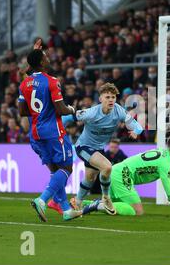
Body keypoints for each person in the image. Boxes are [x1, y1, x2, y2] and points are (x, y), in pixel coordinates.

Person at [18, 39, 92, 222]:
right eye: (45, 56)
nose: (48, 57)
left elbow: (22, 111)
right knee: (66, 167)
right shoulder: (51, 81)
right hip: (53, 130)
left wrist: (39, 113)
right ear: (42, 62)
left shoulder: (24, 84)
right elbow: (60, 109)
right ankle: (42, 199)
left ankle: (66, 209)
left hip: (36, 131)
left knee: (55, 170)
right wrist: (73, 110)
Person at [51, 83, 143, 215]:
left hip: (98, 149)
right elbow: (67, 118)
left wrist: (136, 131)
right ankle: (106, 198)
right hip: (83, 147)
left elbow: (137, 126)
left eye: (113, 97)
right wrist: (58, 132)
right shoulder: (91, 113)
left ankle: (76, 202)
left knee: (89, 178)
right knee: (107, 167)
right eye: (107, 97)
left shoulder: (119, 111)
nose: (111, 100)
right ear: (100, 99)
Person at [83, 135, 170, 216]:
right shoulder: (164, 162)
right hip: (123, 174)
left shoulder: (163, 154)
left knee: (116, 204)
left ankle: (82, 204)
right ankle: (98, 205)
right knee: (136, 211)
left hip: (117, 170)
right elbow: (169, 192)